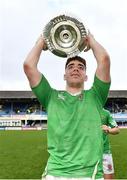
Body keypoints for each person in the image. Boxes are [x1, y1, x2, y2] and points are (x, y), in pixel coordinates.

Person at [23, 31, 111, 180]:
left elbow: (104, 60)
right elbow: (29, 66)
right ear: (64, 75)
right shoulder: (50, 96)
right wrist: (41, 42)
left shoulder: (96, 95)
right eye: (70, 66)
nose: (75, 68)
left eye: (80, 67)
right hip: (55, 173)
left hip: (90, 174)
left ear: (86, 76)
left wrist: (92, 40)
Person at [101, 108, 120, 179]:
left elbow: (117, 129)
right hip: (86, 152)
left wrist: (108, 130)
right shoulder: (83, 111)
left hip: (104, 151)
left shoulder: (106, 113)